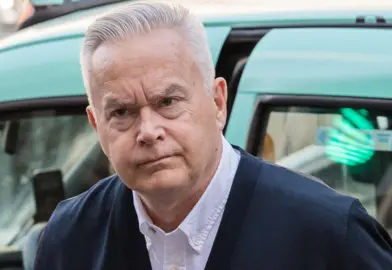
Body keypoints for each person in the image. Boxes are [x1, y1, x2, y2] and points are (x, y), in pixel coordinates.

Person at [33, 2, 392, 269]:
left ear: (218, 102)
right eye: (122, 112)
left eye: (168, 102)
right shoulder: (72, 239)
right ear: (97, 126)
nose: (149, 131)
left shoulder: (329, 233)